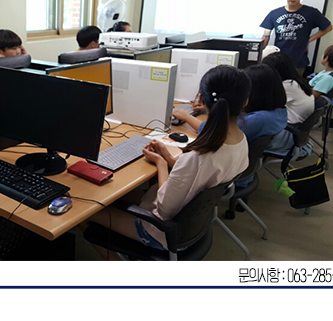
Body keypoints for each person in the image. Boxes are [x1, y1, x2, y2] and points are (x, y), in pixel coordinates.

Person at [84, 65, 250, 253]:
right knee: (113, 197)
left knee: (88, 211)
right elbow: (197, 176)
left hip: (161, 231)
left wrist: (162, 164)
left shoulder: (199, 156)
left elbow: (163, 209)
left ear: (201, 100)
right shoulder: (241, 143)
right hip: (191, 224)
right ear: (245, 102)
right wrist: (170, 158)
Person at [260, 0, 333, 74]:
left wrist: (308, 40)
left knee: (295, 82)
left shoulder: (311, 13)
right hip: (278, 59)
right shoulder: (274, 13)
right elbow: (266, 35)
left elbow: (328, 27)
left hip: (298, 60)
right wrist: (260, 54)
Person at [262, 52, 315, 155]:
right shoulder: (296, 82)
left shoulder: (288, 86)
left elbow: (265, 104)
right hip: (294, 132)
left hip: (287, 135)